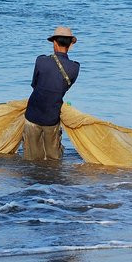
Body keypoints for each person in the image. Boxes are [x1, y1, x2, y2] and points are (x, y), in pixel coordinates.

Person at [23, 26, 80, 161]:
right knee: (53, 160)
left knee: (31, 159)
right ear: (70, 45)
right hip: (52, 117)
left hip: (33, 114)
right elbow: (64, 88)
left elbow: (34, 84)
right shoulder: (75, 67)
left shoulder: (41, 61)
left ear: (54, 43)